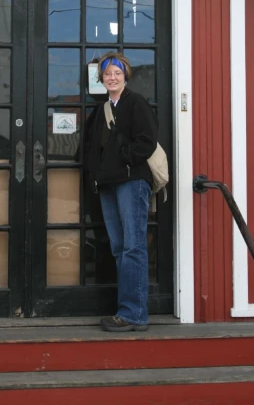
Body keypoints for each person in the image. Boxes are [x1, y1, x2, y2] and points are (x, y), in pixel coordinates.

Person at [84, 52, 157, 332]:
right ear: (101, 79)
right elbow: (92, 150)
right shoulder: (102, 111)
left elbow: (147, 142)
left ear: (125, 76)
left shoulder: (136, 104)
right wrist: (96, 177)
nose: (112, 77)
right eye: (107, 74)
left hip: (132, 182)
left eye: (116, 73)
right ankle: (127, 311)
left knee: (133, 247)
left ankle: (134, 313)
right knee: (119, 248)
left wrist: (125, 159)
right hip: (108, 185)